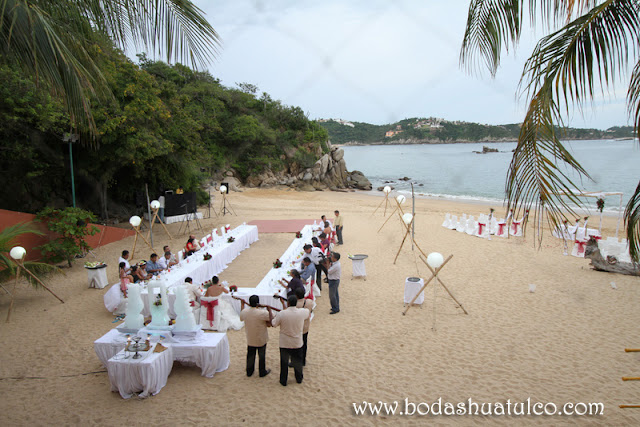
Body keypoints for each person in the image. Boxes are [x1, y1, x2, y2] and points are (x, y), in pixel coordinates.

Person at [272, 295, 310, 386]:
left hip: (284, 342)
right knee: (297, 361)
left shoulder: (282, 313)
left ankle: (283, 380)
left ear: (288, 303)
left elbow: (274, 324)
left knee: (284, 363)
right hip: (297, 342)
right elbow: (308, 311)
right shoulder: (301, 312)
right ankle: (299, 378)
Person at [239, 295, 273, 378]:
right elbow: (271, 319)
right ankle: (262, 372)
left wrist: (242, 304)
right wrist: (269, 309)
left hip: (250, 337)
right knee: (261, 355)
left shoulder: (245, 312)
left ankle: (249, 371)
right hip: (261, 338)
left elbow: (241, 316)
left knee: (250, 354)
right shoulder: (262, 313)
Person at [294, 287, 315, 366]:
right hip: (306, 326)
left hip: (297, 327)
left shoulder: (296, 304)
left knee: (297, 345)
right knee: (304, 343)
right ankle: (303, 360)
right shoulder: (309, 302)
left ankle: (297, 360)